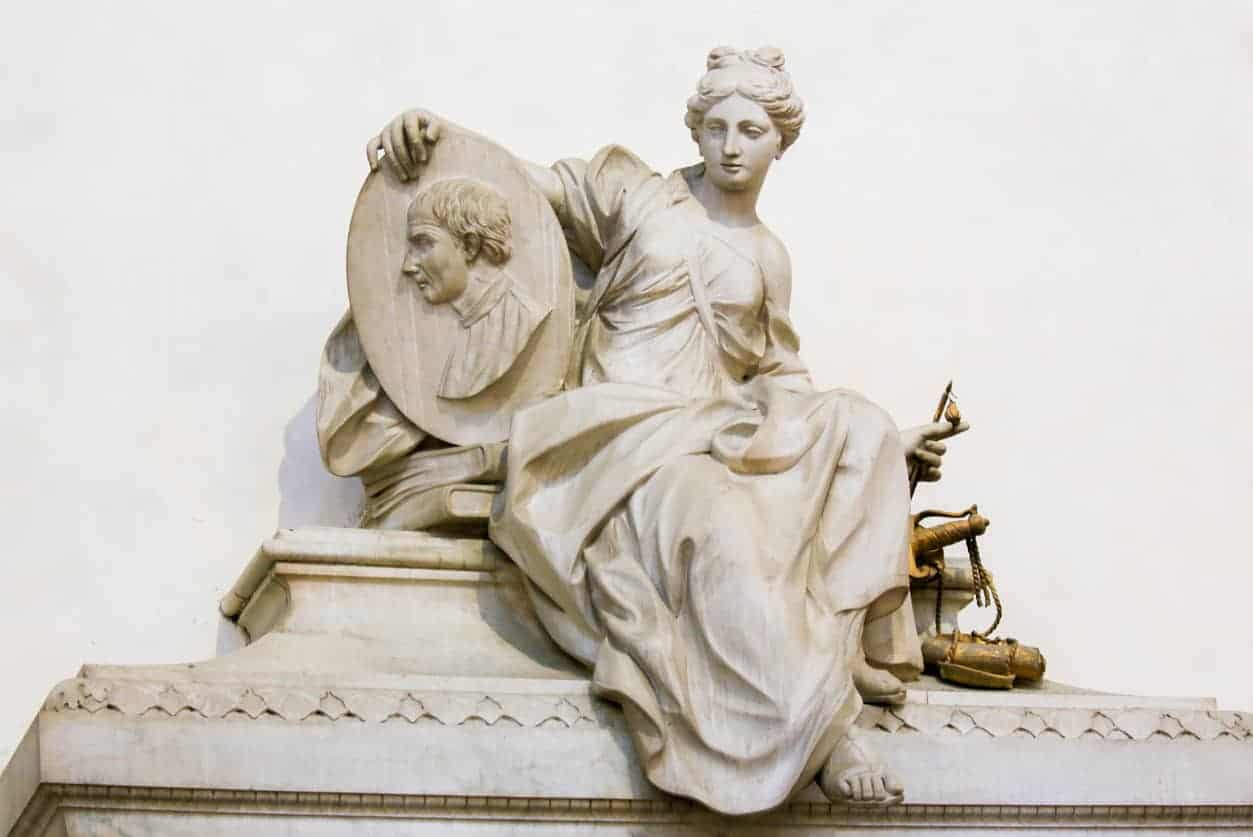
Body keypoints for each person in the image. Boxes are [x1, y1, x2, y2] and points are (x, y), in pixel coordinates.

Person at [368, 45, 966, 814]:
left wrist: (879, 443)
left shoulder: (768, 257)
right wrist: (438, 136)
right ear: (696, 130)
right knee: (720, 526)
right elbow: (519, 188)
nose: (730, 145)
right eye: (716, 127)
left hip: (712, 426)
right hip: (614, 432)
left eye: (750, 130)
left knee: (864, 422)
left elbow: (777, 372)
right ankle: (825, 731)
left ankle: (840, 645)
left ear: (780, 142)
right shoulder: (638, 195)